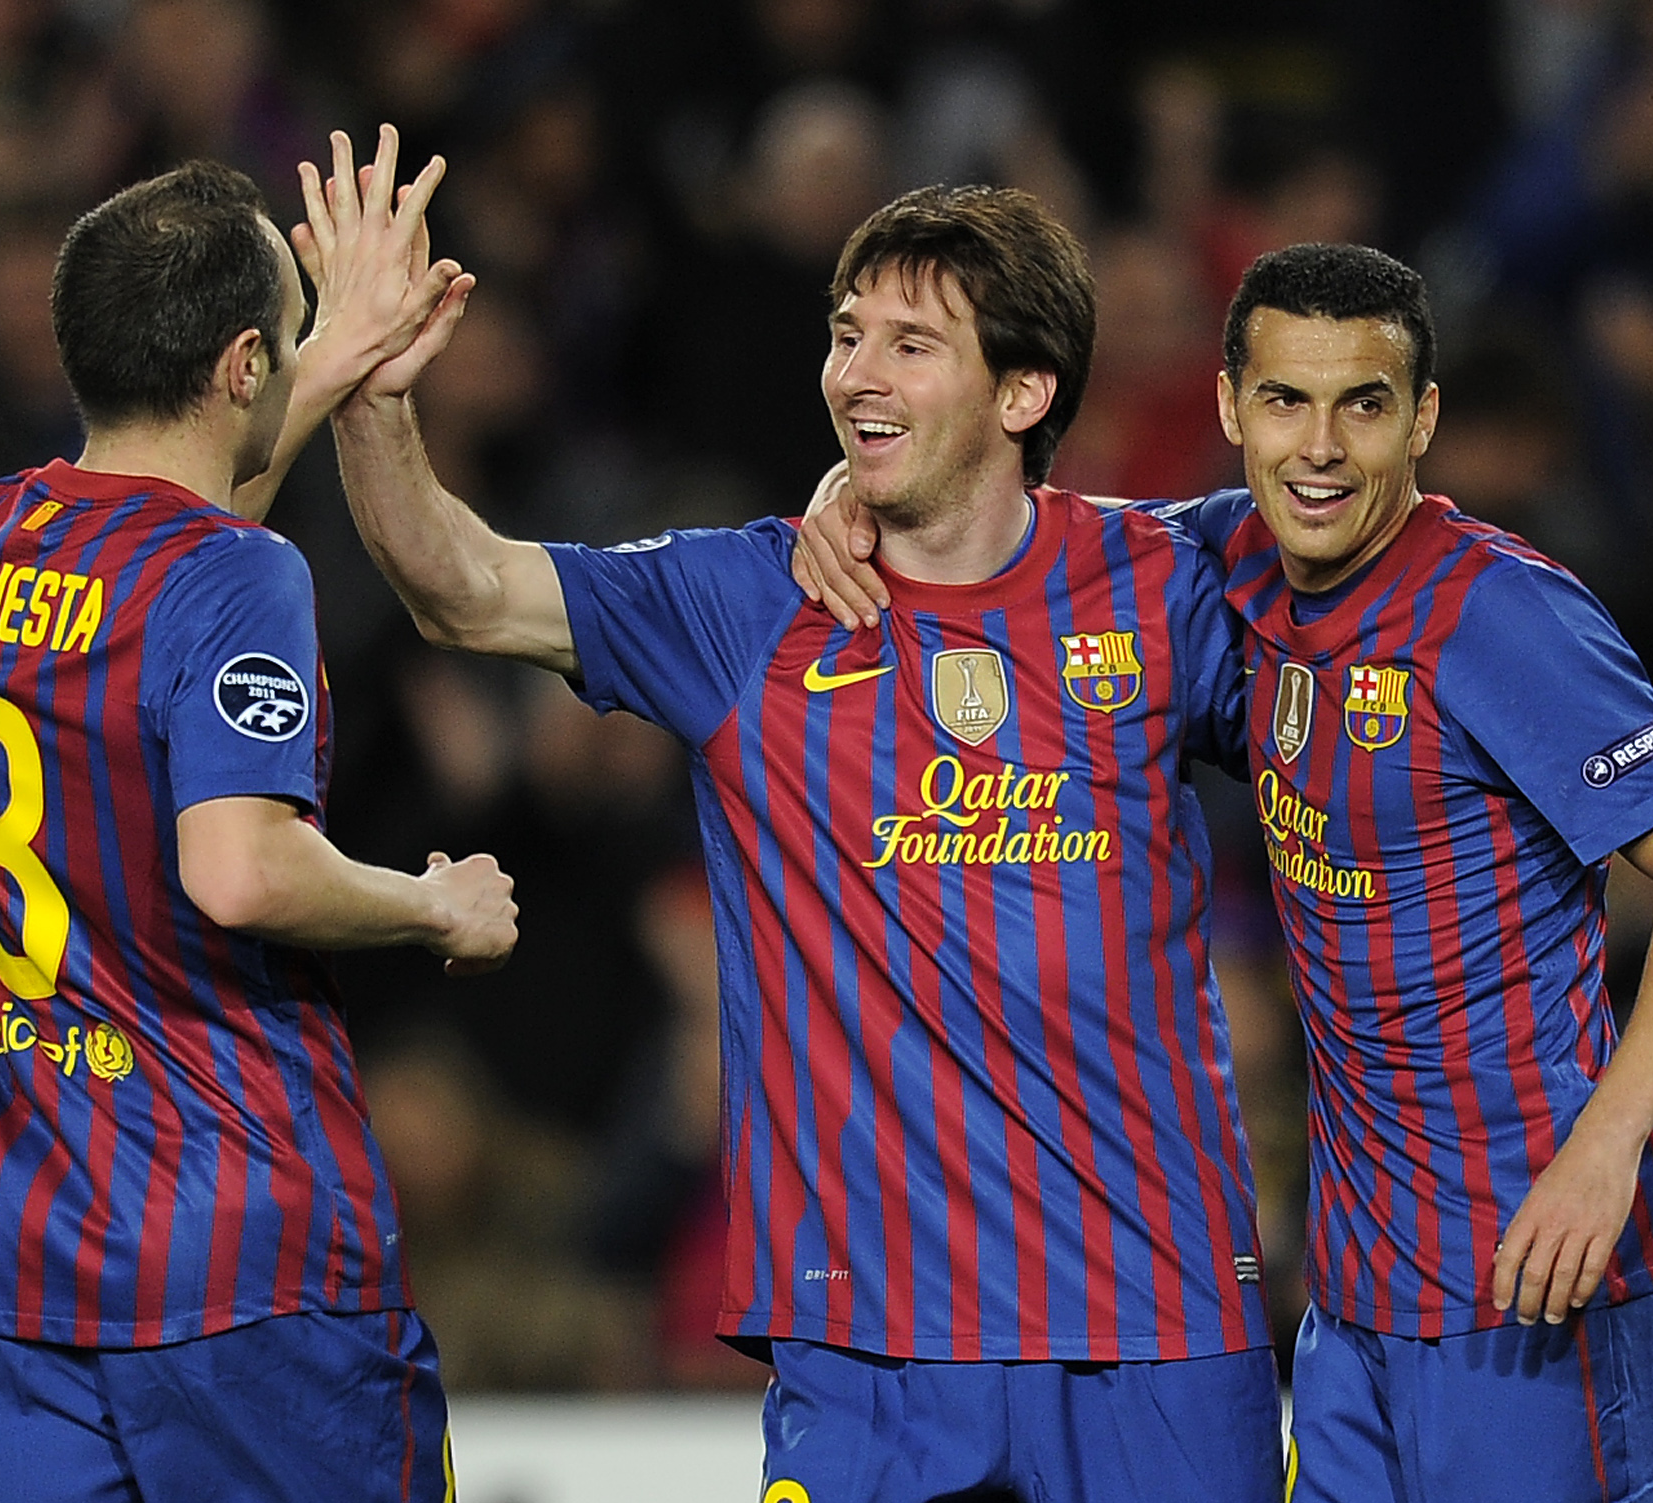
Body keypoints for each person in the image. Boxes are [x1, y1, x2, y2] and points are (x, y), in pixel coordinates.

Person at [311, 160, 1284, 1502]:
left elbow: (1357, 563)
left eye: (908, 344)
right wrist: (372, 389)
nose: (857, 374)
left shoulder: (1162, 578)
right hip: (868, 1348)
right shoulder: (744, 602)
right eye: (844, 337)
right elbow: (460, 584)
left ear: (1022, 391)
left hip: (1158, 1325)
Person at [794, 241, 1653, 1503]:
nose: (1320, 447)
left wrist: (1608, 1148)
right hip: (1356, 1302)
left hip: (1540, 1284)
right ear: (1229, 407)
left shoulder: (1500, 615)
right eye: (1284, 401)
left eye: (1363, 404)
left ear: (1421, 419)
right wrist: (851, 487)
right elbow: (1007, 525)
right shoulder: (1230, 559)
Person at [0, 137, 519, 1503]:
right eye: (285, 340)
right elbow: (241, 872)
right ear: (243, 363)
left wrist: (335, 343)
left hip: (24, 1250)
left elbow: (168, 521)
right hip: (240, 1246)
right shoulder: (240, 576)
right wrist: (430, 901)